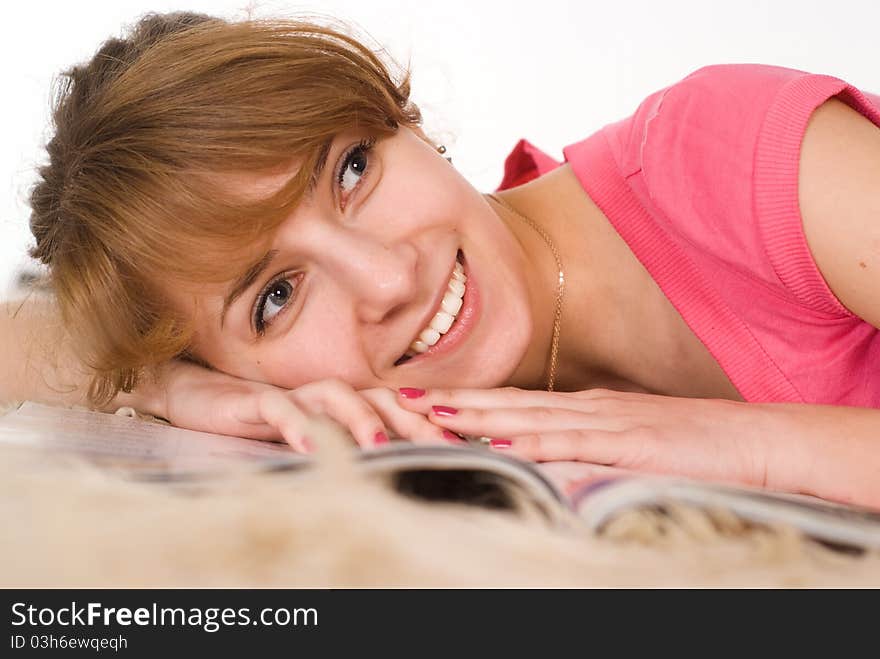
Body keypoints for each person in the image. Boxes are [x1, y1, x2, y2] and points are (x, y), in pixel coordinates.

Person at [4, 11, 879, 508]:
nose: (387, 280)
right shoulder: (396, 417)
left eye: (352, 169)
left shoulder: (726, 154)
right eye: (275, 297)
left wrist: (755, 447)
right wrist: (162, 382)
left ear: (404, 119)